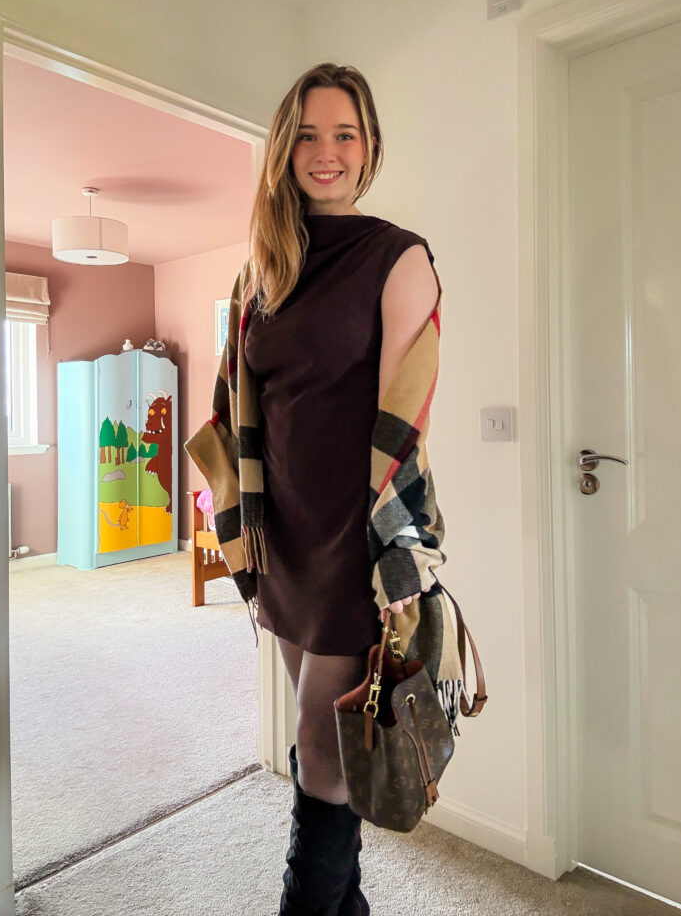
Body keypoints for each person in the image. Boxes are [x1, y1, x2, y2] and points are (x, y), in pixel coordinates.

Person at [189, 62, 442, 915]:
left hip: (350, 550)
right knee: (322, 752)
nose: (325, 152)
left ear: (369, 147)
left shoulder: (398, 257)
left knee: (319, 747)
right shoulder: (260, 272)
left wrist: (393, 574)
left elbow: (399, 436)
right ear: (283, 148)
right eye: (307, 133)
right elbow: (239, 409)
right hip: (284, 546)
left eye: (345, 133)